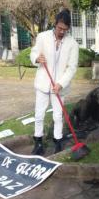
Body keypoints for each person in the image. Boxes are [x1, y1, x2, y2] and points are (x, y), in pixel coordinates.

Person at [29, 9, 79, 155]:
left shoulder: (72, 44)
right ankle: (38, 142)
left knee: (58, 116)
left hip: (59, 87)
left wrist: (61, 83)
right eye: (60, 28)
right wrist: (37, 58)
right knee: (39, 114)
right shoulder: (43, 37)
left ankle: (58, 142)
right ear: (55, 24)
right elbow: (34, 52)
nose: (62, 31)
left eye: (65, 29)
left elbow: (72, 67)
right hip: (43, 84)